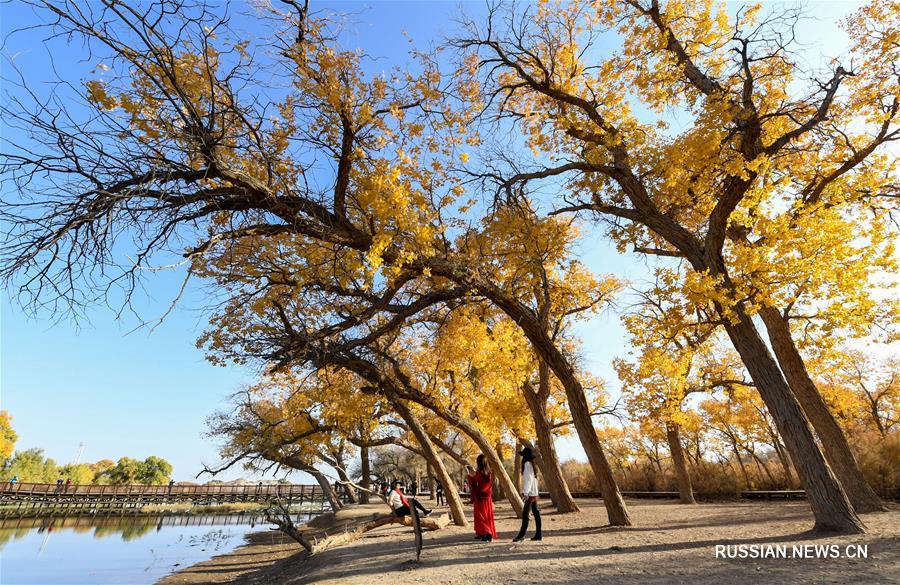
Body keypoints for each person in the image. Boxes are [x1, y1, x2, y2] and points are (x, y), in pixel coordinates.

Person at [513, 446, 542, 542]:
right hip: (534, 492)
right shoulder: (533, 465)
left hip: (530, 493)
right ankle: (538, 534)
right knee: (536, 513)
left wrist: (525, 492)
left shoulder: (526, 464)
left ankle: (521, 535)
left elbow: (528, 480)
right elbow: (534, 479)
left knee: (525, 514)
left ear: (525, 456)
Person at [467, 455, 497, 542]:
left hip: (480, 497)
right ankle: (481, 532)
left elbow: (476, 484)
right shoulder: (488, 472)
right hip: (485, 497)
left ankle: (488, 533)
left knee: (481, 516)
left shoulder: (481, 473)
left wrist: (470, 476)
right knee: (482, 515)